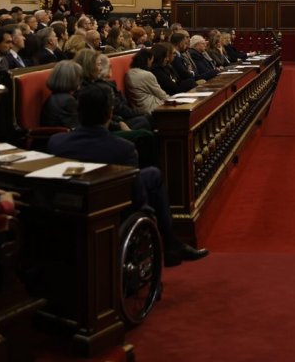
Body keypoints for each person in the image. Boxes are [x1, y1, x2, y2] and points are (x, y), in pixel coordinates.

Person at [46, 85, 208, 266]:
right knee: (153, 175)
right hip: (111, 210)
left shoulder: (56, 142)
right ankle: (171, 245)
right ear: (109, 113)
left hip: (70, 210)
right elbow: (138, 198)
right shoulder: (123, 148)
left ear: (79, 112)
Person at [126, 48, 171, 115]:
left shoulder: (129, 73)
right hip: (153, 109)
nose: (151, 64)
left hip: (139, 108)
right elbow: (161, 95)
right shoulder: (146, 75)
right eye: (151, 61)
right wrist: (174, 100)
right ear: (148, 60)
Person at [41, 60, 83, 128]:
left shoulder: (56, 96)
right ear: (72, 79)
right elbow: (75, 128)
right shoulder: (68, 101)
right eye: (79, 77)